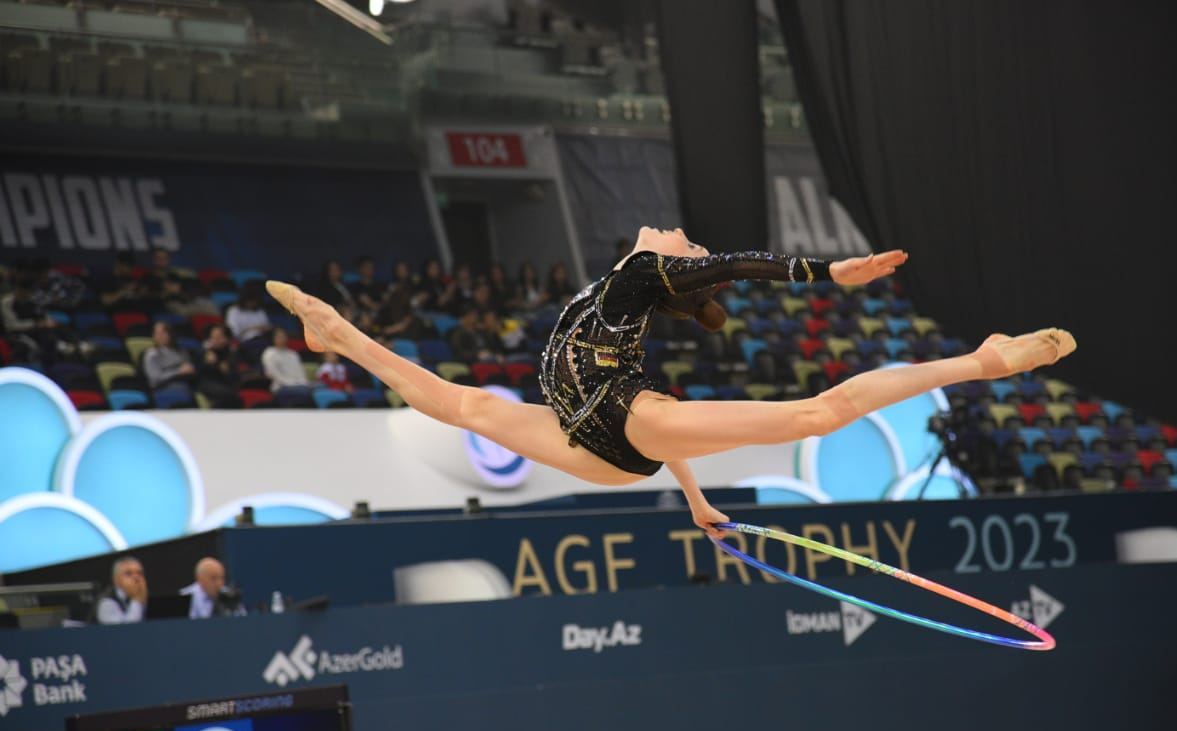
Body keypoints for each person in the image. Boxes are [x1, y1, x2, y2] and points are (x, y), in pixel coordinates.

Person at [266, 227, 1074, 537]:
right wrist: (692, 498)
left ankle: (984, 358)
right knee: (453, 403)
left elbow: (737, 265)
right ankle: (334, 332)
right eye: (679, 235)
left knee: (817, 415)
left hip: (608, 422)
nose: (676, 230)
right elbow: (665, 422)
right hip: (598, 434)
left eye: (680, 239)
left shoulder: (651, 269)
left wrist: (829, 271)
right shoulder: (625, 288)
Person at [179, 557, 245, 618]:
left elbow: (243, 619)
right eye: (214, 578)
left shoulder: (229, 595)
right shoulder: (185, 597)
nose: (219, 583)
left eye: (221, 578)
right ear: (200, 579)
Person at [142, 321, 196, 391]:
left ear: (170, 334)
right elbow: (155, 378)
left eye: (163, 333)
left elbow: (189, 366)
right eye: (157, 333)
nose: (160, 336)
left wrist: (189, 369)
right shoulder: (152, 355)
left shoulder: (180, 351)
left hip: (186, 382)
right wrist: (178, 372)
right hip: (163, 386)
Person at [96, 555, 147, 624]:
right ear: (116, 580)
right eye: (129, 573)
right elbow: (126, 631)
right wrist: (136, 600)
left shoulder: (141, 597)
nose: (136, 578)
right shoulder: (107, 603)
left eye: (139, 573)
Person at [261, 327, 308, 391]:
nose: (283, 338)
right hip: (280, 387)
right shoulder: (269, 354)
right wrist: (292, 384)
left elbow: (300, 372)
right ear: (272, 338)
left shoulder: (293, 354)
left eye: (284, 336)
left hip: (299, 385)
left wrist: (304, 383)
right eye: (279, 336)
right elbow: (275, 375)